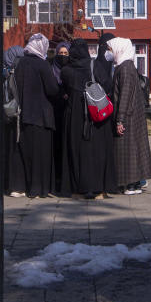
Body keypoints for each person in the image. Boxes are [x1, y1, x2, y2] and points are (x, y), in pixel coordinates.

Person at [58, 39, 118, 199]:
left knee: (77, 152)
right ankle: (98, 186)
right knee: (97, 151)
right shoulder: (95, 66)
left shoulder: (66, 71)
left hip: (75, 117)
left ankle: (79, 186)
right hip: (95, 116)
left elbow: (64, 90)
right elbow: (108, 86)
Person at [106, 37, 151, 195]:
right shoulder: (127, 66)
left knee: (126, 150)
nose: (109, 53)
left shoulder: (124, 68)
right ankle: (134, 184)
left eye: (111, 49)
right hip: (133, 115)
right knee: (134, 149)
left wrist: (120, 119)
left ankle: (129, 184)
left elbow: (125, 95)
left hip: (128, 116)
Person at [15, 33, 60, 198]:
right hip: (42, 116)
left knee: (29, 155)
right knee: (43, 155)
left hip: (25, 115)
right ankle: (42, 189)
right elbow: (52, 89)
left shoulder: (20, 63)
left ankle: (30, 188)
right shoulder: (42, 65)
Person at [3, 45, 27, 197]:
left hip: (6, 117)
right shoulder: (17, 73)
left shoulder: (4, 71)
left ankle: (9, 185)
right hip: (16, 116)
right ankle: (16, 186)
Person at [50, 42, 70, 192]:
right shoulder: (51, 69)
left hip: (68, 112)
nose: (62, 56)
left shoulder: (70, 70)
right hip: (54, 111)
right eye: (60, 53)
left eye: (65, 53)